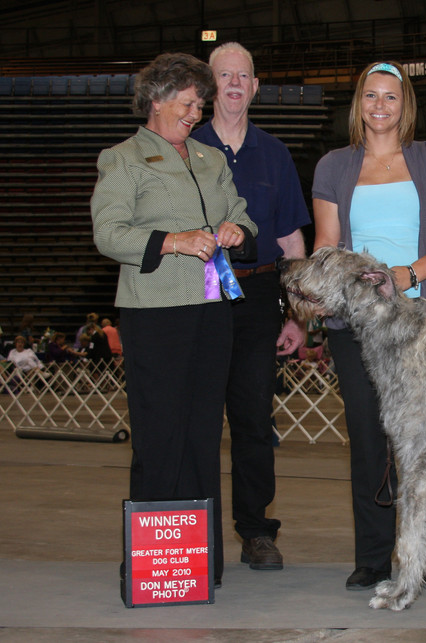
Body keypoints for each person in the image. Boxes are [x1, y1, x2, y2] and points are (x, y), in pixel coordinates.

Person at [90, 52, 258, 587]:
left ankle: (198, 563)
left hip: (213, 312)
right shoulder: (124, 159)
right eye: (188, 103)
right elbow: (108, 232)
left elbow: (242, 211)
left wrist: (236, 230)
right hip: (154, 315)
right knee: (160, 435)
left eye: (199, 104)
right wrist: (171, 241)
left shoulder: (210, 158)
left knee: (205, 434)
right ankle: (150, 565)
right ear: (157, 100)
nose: (196, 112)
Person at [312, 61, 426, 592]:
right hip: (358, 327)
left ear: (405, 106)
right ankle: (374, 555)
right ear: (357, 103)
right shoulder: (334, 165)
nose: (380, 106)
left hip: (425, 324)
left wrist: (407, 273)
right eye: (370, 96)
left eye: (391, 97)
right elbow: (326, 245)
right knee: (367, 438)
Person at [191, 42, 310, 572]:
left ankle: (257, 530)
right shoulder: (185, 145)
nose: (235, 84)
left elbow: (291, 241)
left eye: (244, 76)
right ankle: (195, 533)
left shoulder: (275, 153)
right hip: (196, 294)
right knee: (193, 418)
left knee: (254, 421)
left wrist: (299, 314)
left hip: (260, 296)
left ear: (256, 86)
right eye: (224, 75)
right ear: (210, 86)